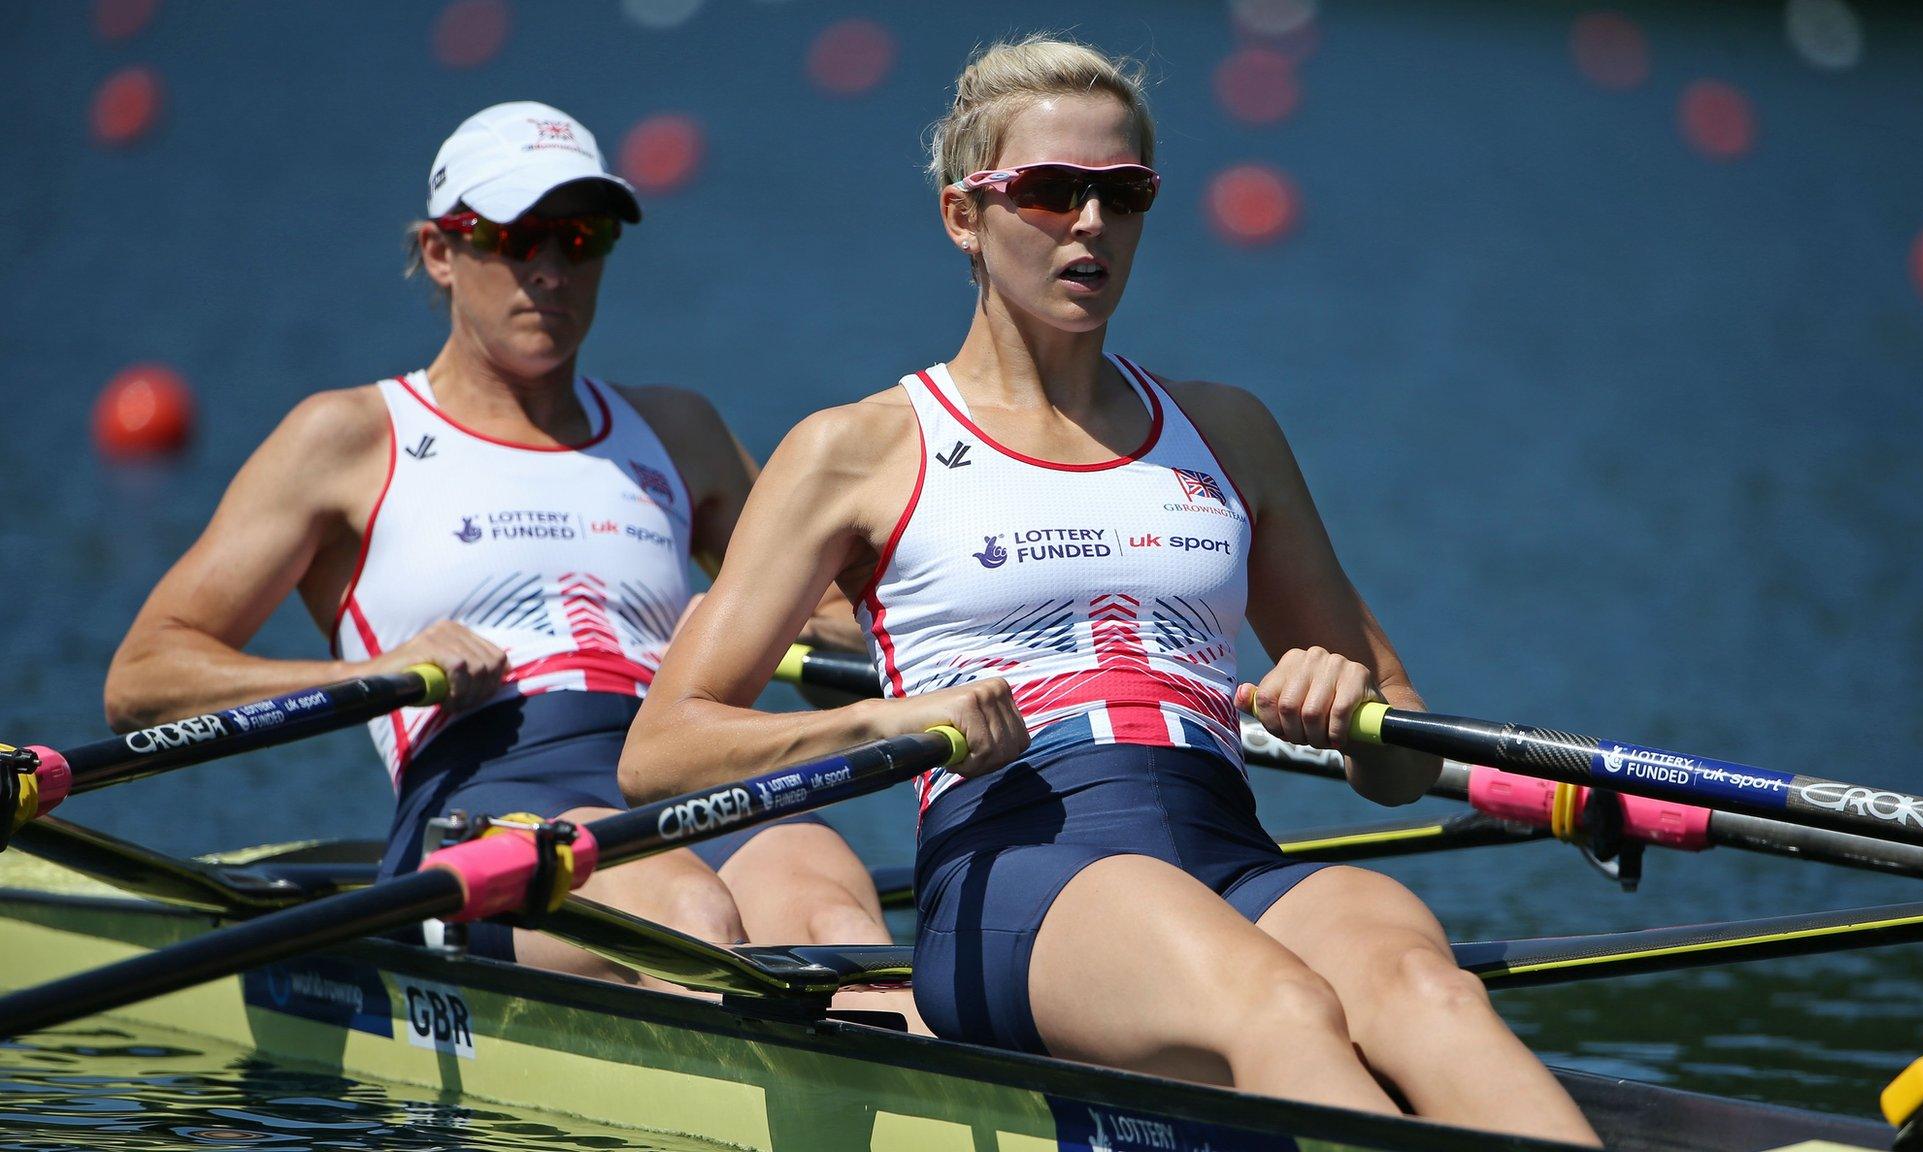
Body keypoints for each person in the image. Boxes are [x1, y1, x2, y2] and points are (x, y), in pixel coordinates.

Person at [617, 38, 1599, 1143]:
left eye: (1121, 194)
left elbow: (1402, 757)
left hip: (1227, 851)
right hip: (1017, 878)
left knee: (1430, 995)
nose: (1088, 223)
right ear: (962, 216)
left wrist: (1344, 705)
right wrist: (886, 720)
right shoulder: (856, 450)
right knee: (1277, 1004)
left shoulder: (1227, 432)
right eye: (1047, 192)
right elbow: (662, 751)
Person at [104, 101, 902, 994]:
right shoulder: (350, 438)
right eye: (516, 238)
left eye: (580, 236)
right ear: (441, 252)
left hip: (685, 767)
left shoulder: (680, 432)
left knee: (835, 918)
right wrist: (379, 672)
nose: (552, 270)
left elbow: (841, 622)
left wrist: (740, 623)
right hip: (484, 803)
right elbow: (143, 679)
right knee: (689, 918)